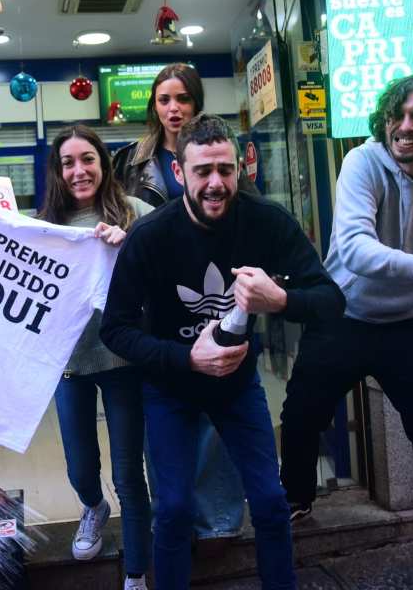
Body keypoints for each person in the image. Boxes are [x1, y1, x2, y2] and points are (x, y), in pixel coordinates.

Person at [101, 114, 345, 590]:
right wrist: (187, 358)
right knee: (171, 510)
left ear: (240, 169)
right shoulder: (151, 236)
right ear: (179, 173)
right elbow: (117, 329)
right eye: (202, 171)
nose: (216, 184)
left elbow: (331, 300)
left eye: (226, 170)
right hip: (171, 387)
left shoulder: (266, 221)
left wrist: (282, 300)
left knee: (272, 503)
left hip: (236, 385)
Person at [278, 74, 413, 590]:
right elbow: (352, 246)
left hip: (410, 327)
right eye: (397, 116)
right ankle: (297, 498)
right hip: (342, 313)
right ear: (384, 122)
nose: (406, 126)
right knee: (301, 413)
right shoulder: (362, 163)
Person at [112, 62, 248, 540]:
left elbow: (240, 214)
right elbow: (118, 222)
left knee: (217, 416)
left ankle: (219, 519)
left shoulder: (220, 150)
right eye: (164, 99)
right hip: (156, 306)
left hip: (214, 295)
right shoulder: (130, 160)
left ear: (196, 103)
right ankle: (174, 519)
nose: (173, 108)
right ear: (154, 105)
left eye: (182, 99)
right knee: (166, 421)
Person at [39, 124, 154, 590]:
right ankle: (92, 507)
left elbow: (167, 272)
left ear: (104, 164)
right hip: (70, 364)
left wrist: (130, 247)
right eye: (68, 162)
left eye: (88, 159)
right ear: (57, 171)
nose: (79, 170)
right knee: (80, 467)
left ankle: (135, 574)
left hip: (124, 361)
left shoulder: (136, 214)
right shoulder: (44, 226)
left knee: (129, 472)